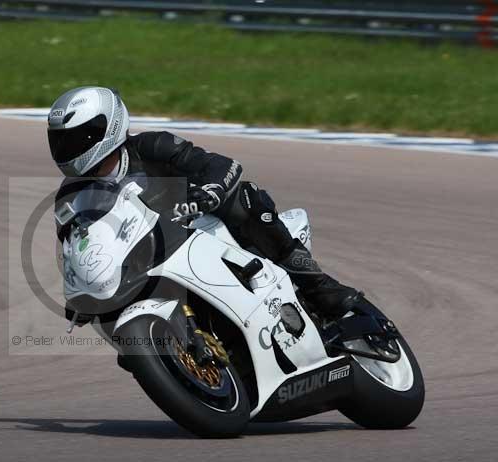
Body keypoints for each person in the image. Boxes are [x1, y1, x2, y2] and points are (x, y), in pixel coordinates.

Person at [49, 86, 360, 320]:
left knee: (246, 197)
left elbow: (224, 165)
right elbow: (75, 250)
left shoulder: (151, 146)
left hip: (201, 225)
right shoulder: (71, 197)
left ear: (109, 126)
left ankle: (319, 287)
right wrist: (82, 291)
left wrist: (209, 191)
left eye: (79, 138)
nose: (69, 148)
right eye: (61, 141)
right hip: (147, 260)